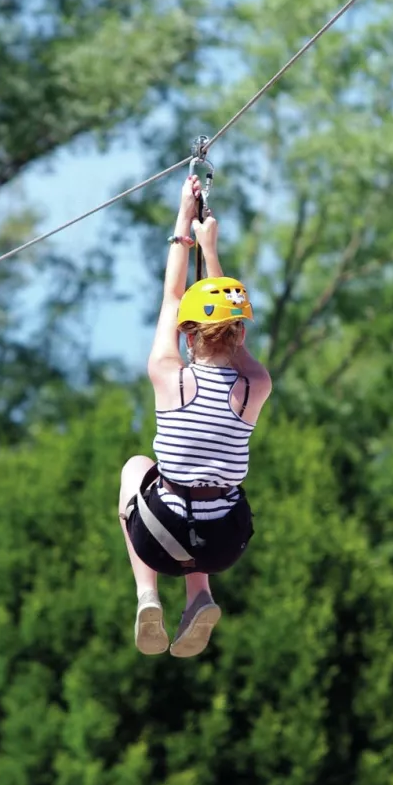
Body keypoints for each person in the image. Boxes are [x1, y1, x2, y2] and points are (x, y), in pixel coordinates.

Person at [118, 172, 271, 658]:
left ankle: (147, 595)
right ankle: (200, 594)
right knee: (208, 489)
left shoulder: (169, 375)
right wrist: (212, 248)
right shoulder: (255, 388)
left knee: (139, 470)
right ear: (240, 333)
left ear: (188, 335)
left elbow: (171, 297)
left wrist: (185, 220)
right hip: (224, 541)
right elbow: (227, 319)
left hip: (160, 534)